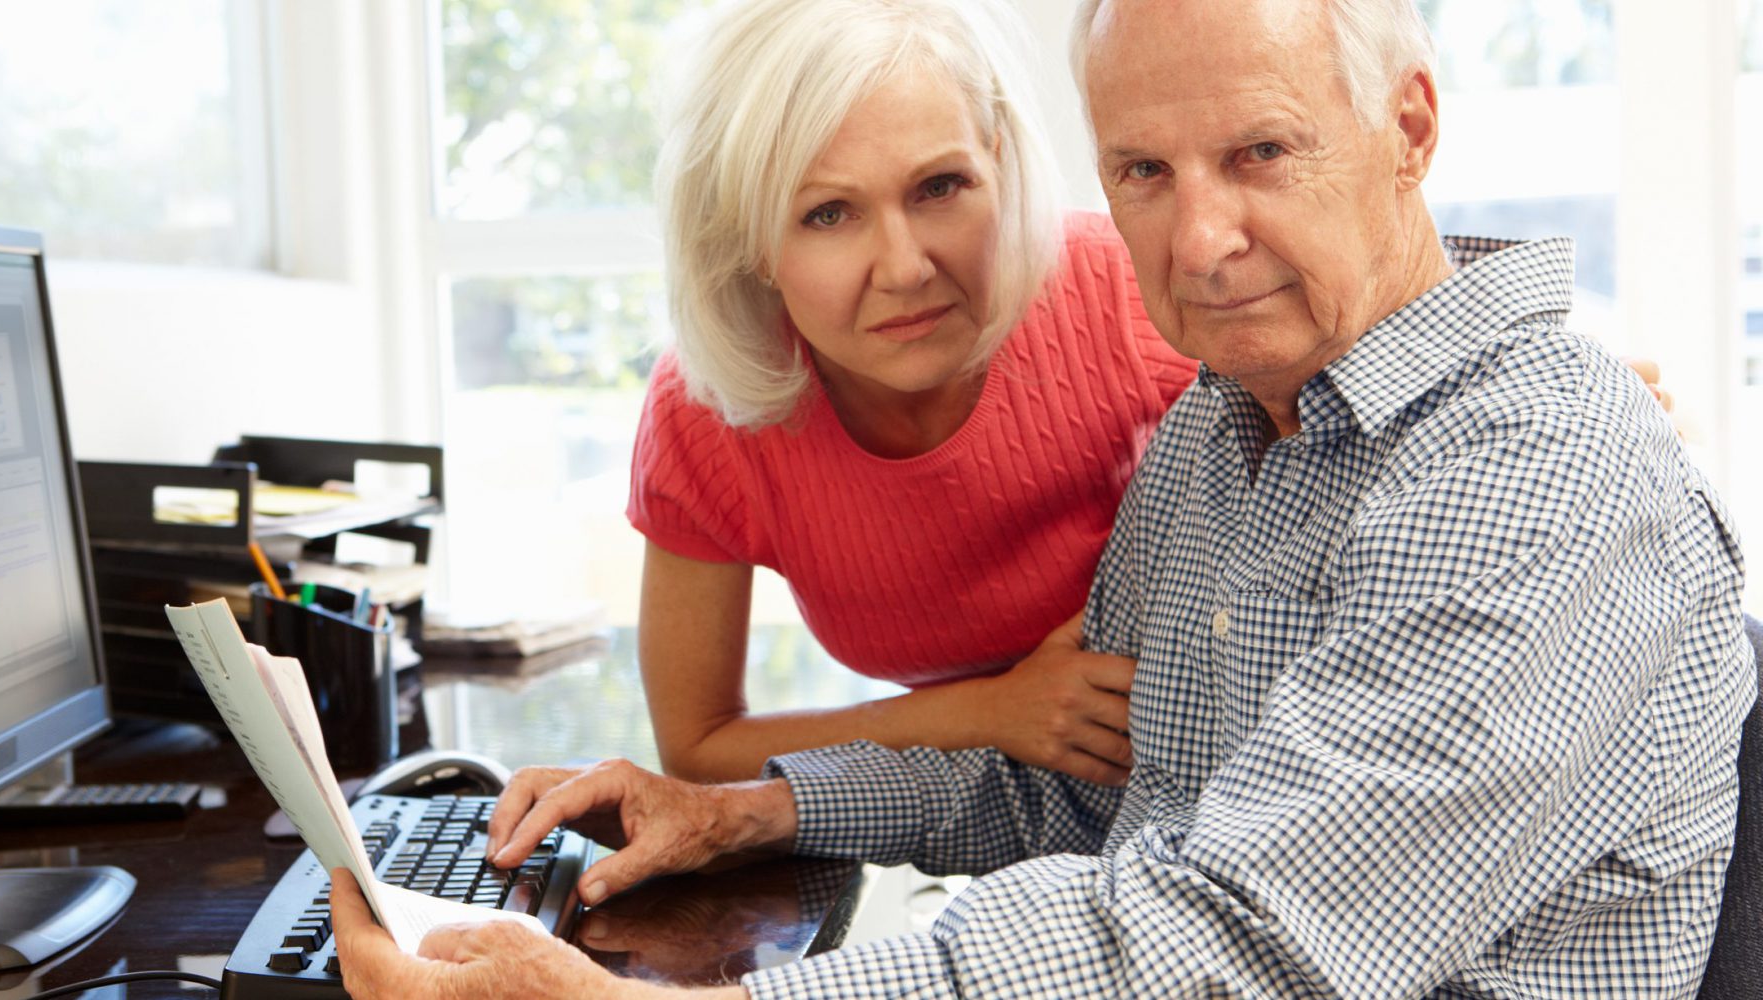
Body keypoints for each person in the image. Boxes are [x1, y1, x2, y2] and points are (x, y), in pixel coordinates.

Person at [330, 0, 1752, 994]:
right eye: (1143, 170)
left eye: (1259, 152)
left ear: (1411, 126)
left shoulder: (1532, 468)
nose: (1199, 239)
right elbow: (1084, 785)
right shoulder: (1220, 430)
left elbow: (1238, 945)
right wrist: (744, 816)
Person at [628, 0, 1196, 785]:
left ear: (998, 162)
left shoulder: (1140, 302)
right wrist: (988, 712)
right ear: (751, 241)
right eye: (827, 213)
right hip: (973, 820)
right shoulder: (708, 412)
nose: (904, 268)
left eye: (939, 187)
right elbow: (696, 747)